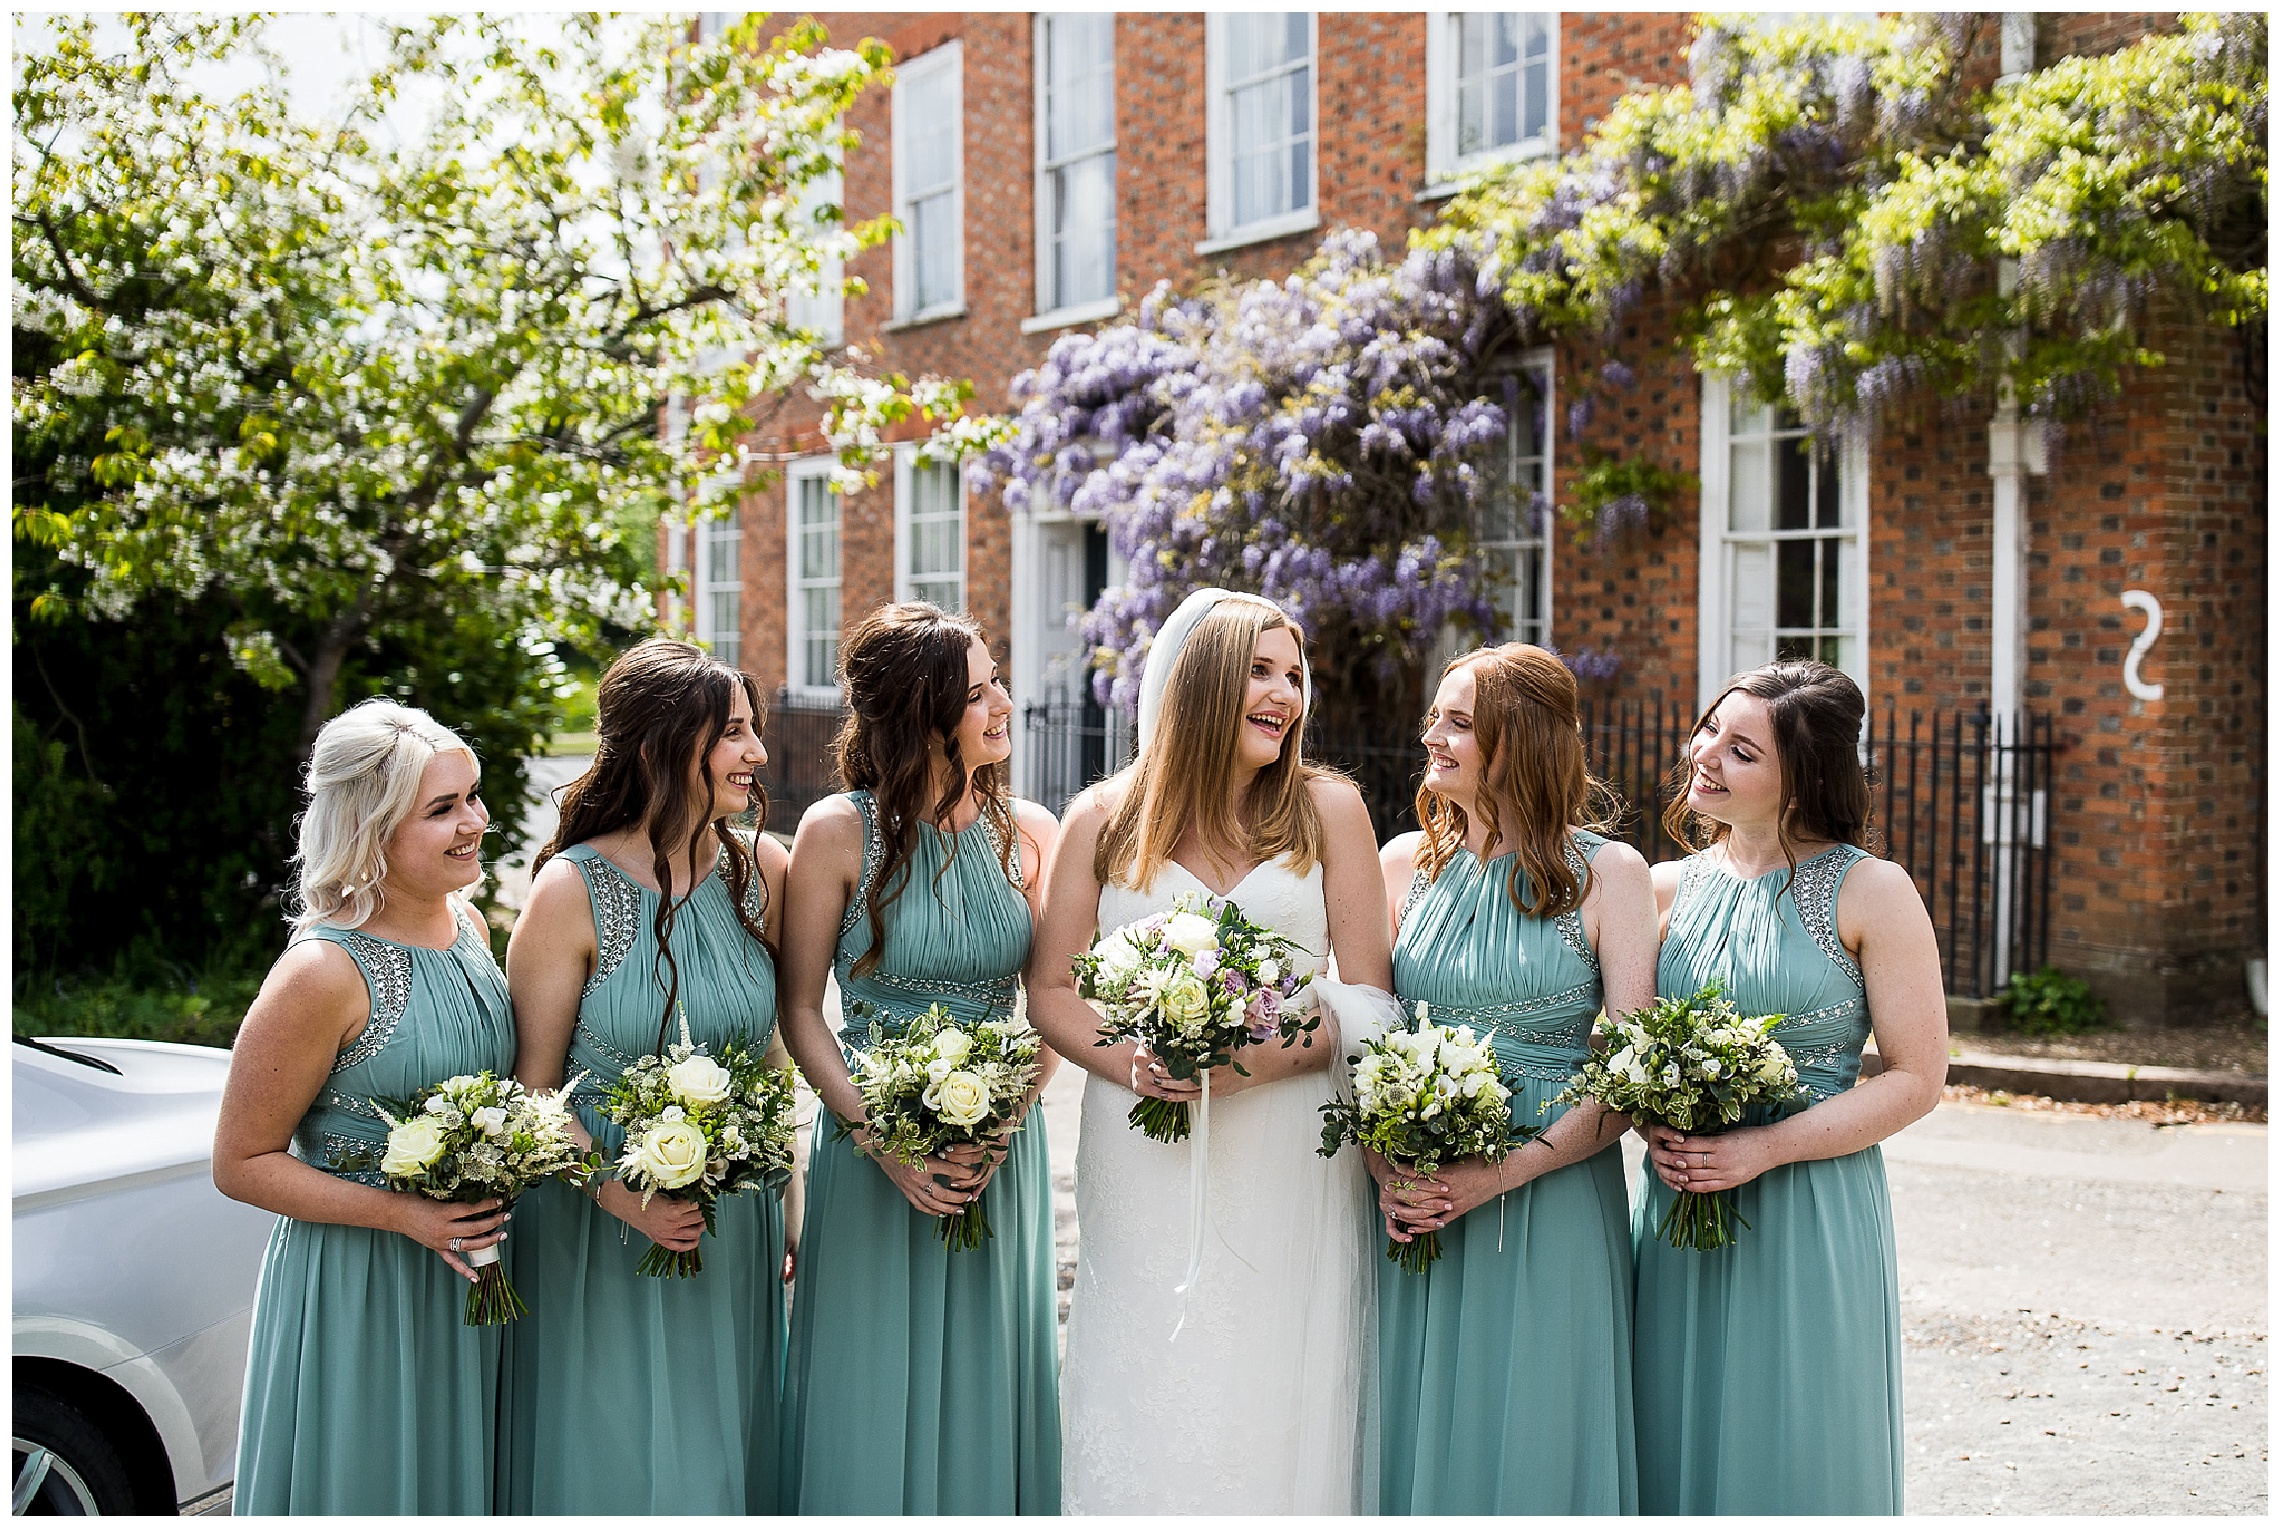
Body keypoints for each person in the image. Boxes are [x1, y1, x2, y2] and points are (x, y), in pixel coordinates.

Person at [1028, 588, 1394, 1515]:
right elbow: (1052, 990)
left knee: (1278, 1365)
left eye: (1296, 676)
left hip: (1287, 1140)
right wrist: (1130, 1063)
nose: (1287, 695)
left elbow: (1369, 995)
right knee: (1148, 1354)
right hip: (1144, 1136)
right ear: (1201, 685)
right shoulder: (1105, 818)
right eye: (1262, 671)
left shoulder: (1330, 809)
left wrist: (1266, 1062)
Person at [1633, 659, 1947, 1514]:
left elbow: (1919, 1077)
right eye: (1709, 731)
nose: (1704, 756)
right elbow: (1607, 1041)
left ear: (1802, 779)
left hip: (1809, 1208)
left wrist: (1765, 1147)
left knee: (1799, 1440)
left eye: (1740, 750)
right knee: (1671, 1426)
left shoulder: (1872, 891)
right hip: (1678, 1203)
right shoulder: (1664, 889)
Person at [777, 603, 1063, 1515]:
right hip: (871, 1151)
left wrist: (1006, 1117)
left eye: (996, 682)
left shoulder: (1029, 832)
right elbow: (799, 1009)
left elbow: (1052, 1005)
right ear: (922, 716)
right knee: (870, 1375)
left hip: (1001, 1154)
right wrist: (881, 1140)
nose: (1002, 705)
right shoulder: (836, 831)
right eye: (977, 693)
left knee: (991, 1370)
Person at [498, 638, 794, 1514]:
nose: (759, 754)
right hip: (601, 1228)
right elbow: (532, 1091)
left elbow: (774, 1056)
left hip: (730, 1219)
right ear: (670, 746)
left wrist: (790, 1206)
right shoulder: (569, 891)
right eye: (734, 734)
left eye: (753, 731)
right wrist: (619, 1194)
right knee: (616, 1458)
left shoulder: (762, 872)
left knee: (719, 1445)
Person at [1373, 644, 1656, 1514]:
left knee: (1539, 1419)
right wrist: (1390, 1174)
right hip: (1416, 1194)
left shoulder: (1610, 873)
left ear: (1521, 740)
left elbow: (1630, 1070)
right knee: (1414, 1419)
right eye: (1436, 717)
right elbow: (1365, 1043)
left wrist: (1502, 1172)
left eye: (1458, 722)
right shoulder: (1401, 866)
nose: (1432, 737)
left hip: (1553, 1191)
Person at [217, 700, 515, 1514]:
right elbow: (240, 1164)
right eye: (444, 809)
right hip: (362, 1285)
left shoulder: (470, 928)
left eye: (474, 797)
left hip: (468, 1274)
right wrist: (403, 1217)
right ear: (372, 828)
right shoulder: (321, 973)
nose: (476, 823)